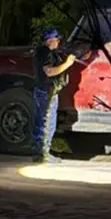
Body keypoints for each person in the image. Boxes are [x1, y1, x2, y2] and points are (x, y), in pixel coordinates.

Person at [32, 29, 76, 163]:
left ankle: (41, 152)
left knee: (46, 121)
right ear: (50, 41)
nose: (58, 42)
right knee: (46, 122)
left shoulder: (47, 52)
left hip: (48, 91)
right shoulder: (46, 53)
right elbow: (49, 72)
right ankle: (43, 154)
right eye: (57, 40)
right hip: (46, 92)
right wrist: (67, 64)